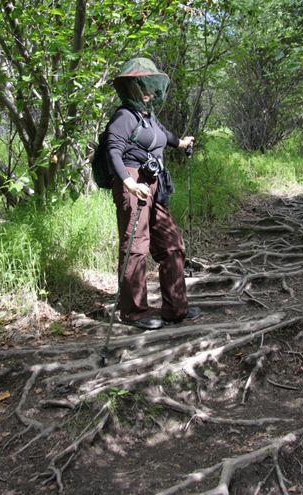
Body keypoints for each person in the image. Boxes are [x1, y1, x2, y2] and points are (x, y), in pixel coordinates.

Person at [105, 57, 200, 330]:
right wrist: (128, 183)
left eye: (149, 85)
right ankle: (134, 313)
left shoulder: (148, 116)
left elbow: (164, 136)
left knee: (172, 245)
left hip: (155, 185)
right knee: (135, 247)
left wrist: (181, 143)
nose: (147, 91)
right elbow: (113, 150)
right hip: (134, 183)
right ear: (131, 88)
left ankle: (176, 309)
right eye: (141, 85)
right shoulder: (124, 116)